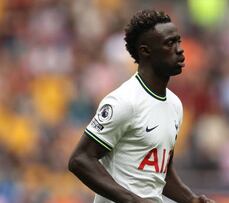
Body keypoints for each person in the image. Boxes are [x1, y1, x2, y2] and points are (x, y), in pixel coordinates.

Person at [68, 9, 215, 203]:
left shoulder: (175, 105)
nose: (180, 49)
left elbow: (161, 173)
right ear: (146, 51)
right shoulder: (124, 101)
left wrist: (192, 200)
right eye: (169, 43)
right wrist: (132, 200)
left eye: (178, 41)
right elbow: (80, 160)